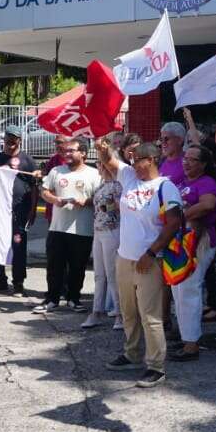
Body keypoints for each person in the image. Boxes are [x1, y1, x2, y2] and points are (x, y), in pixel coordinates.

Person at [96, 138, 182, 388]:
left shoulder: (165, 187)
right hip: (125, 257)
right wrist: (103, 150)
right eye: (132, 161)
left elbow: (174, 222)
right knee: (128, 311)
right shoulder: (130, 178)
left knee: (150, 315)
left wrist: (151, 252)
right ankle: (132, 353)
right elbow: (110, 161)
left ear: (152, 160)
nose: (133, 165)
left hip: (149, 260)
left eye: (138, 160)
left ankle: (156, 366)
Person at [169, 143, 216, 362]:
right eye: (185, 158)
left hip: (198, 240)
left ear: (203, 164)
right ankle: (186, 336)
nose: (186, 162)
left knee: (189, 288)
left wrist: (181, 217)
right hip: (179, 241)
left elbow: (208, 204)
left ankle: (191, 345)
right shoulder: (181, 183)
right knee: (178, 290)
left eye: (192, 159)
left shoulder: (207, 182)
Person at [36, 136, 101, 314]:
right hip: (57, 228)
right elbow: (44, 190)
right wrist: (54, 199)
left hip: (82, 229)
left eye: (71, 151)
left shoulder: (94, 174)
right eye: (65, 151)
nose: (67, 154)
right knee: (54, 266)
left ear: (83, 153)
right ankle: (52, 299)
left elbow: (100, 197)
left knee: (77, 266)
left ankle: (74, 299)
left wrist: (86, 201)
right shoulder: (57, 170)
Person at [0, 125, 39, 296]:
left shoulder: (28, 161)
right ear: (4, 139)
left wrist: (32, 211)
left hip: (19, 214)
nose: (11, 142)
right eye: (8, 138)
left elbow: (34, 187)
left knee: (18, 247)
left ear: (20, 140)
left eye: (14, 138)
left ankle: (18, 283)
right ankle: (0, 282)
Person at [85, 131, 125, 330]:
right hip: (99, 231)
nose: (98, 167)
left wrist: (109, 207)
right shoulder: (102, 185)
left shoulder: (118, 185)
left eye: (100, 165)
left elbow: (119, 207)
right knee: (99, 274)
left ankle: (119, 314)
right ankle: (96, 311)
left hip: (112, 231)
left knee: (112, 273)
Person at [159, 122, 188, 186]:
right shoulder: (160, 161)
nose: (163, 143)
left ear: (179, 140)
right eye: (161, 139)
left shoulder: (188, 162)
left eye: (166, 139)